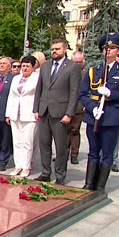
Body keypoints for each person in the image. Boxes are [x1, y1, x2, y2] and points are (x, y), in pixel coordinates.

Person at [78, 33, 119, 191]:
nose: (108, 51)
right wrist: (92, 107)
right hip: (94, 115)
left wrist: (112, 93)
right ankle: (89, 184)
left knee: (107, 153)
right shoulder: (93, 71)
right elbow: (82, 95)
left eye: (112, 48)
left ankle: (101, 186)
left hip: (111, 116)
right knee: (93, 151)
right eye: (106, 48)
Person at [33, 38, 83, 184]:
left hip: (61, 113)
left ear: (65, 49)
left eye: (57, 49)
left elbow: (75, 92)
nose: (54, 51)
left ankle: (60, 175)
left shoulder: (72, 67)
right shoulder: (46, 66)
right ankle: (46, 172)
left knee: (60, 146)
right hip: (44, 111)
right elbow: (39, 88)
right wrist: (36, 108)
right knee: (44, 144)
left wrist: (69, 113)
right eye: (53, 49)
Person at [6, 56, 40, 177]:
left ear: (33, 66)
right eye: (23, 66)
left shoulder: (37, 79)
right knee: (17, 141)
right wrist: (8, 114)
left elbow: (38, 96)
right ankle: (18, 165)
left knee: (27, 141)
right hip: (15, 113)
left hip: (29, 114)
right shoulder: (16, 79)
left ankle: (26, 166)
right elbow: (11, 96)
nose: (24, 68)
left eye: (27, 66)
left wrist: (37, 111)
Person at [68, 51, 87, 164]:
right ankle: (63, 153)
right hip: (66, 104)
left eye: (80, 62)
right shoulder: (67, 69)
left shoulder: (87, 71)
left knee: (74, 130)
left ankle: (74, 154)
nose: (78, 64)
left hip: (79, 105)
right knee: (64, 130)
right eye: (76, 62)